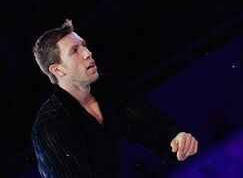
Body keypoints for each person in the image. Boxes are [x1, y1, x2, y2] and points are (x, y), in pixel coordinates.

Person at [31, 19, 198, 177]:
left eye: (84, 45)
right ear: (58, 70)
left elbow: (150, 124)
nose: (88, 53)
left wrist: (176, 138)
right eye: (75, 51)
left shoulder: (107, 88)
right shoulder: (50, 125)